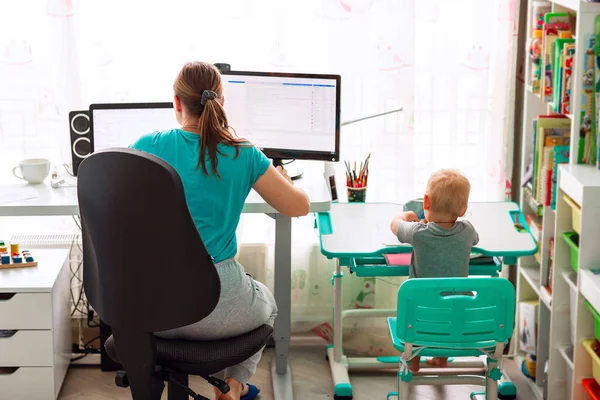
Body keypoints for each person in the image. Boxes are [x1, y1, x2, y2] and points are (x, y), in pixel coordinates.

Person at [130, 61, 310, 400]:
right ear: (221, 103)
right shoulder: (244, 153)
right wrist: (280, 177)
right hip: (215, 303)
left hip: (152, 306)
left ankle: (218, 380)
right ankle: (233, 385)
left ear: (177, 102)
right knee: (267, 304)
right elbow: (298, 207)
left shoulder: (147, 144)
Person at [389, 168, 479, 372]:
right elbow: (476, 240)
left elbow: (395, 226)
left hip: (421, 316)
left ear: (426, 202)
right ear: (463, 210)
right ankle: (441, 358)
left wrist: (404, 216)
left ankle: (413, 363)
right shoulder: (467, 231)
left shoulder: (418, 233)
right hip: (457, 317)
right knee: (450, 301)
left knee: (419, 310)